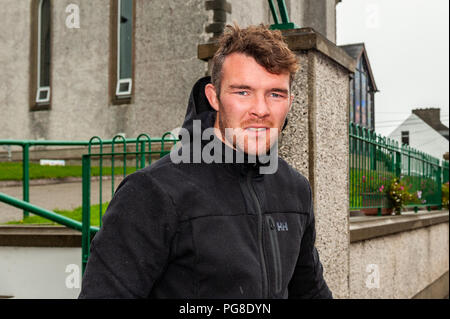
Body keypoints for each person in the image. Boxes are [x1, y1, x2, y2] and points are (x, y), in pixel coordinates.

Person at [79, 24, 332, 299]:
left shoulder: (295, 190)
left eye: (275, 94)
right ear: (214, 97)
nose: (261, 110)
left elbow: (310, 292)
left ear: (290, 102)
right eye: (243, 92)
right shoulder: (152, 192)